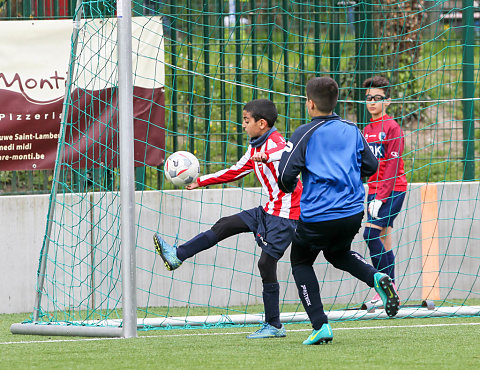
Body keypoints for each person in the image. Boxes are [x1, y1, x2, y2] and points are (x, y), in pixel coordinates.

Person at [154, 99, 303, 339]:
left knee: (266, 264)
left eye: (246, 120)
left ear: (262, 123)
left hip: (286, 216)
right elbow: (235, 171)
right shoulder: (256, 146)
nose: (243, 125)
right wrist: (200, 181)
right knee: (225, 224)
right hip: (268, 210)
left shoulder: (276, 144)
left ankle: (274, 325)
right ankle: (177, 255)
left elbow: (285, 153)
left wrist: (267, 157)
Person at [277, 77, 400, 345]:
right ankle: (377, 277)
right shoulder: (352, 129)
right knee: (338, 253)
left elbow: (285, 179)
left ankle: (320, 325)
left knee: (300, 261)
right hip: (352, 213)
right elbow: (370, 166)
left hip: (318, 215)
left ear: (309, 103)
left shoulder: (303, 133)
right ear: (335, 102)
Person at [362, 76, 407, 305]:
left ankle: (384, 286)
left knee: (369, 234)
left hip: (393, 190)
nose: (372, 102)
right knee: (383, 237)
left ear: (387, 101)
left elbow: (392, 167)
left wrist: (380, 197)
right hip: (373, 191)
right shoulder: (366, 129)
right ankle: (391, 292)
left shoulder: (392, 128)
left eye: (377, 98)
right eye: (369, 98)